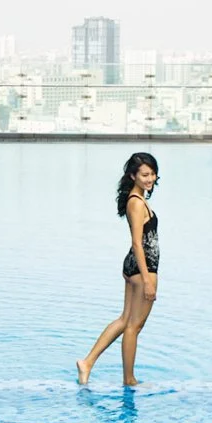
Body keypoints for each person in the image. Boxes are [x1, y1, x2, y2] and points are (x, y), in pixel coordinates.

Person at [77, 152, 160, 386]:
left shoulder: (138, 199)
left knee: (126, 320)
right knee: (134, 325)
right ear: (133, 175)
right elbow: (137, 242)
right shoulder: (136, 202)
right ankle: (129, 379)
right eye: (144, 174)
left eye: (152, 174)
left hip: (135, 265)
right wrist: (146, 280)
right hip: (142, 267)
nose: (150, 178)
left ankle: (87, 362)